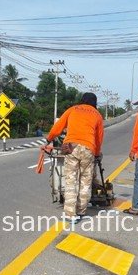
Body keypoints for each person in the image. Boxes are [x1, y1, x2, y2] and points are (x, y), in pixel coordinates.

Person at [46, 92, 104, 220]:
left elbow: (57, 128)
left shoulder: (72, 110)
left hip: (71, 148)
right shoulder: (97, 115)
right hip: (88, 149)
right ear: (94, 103)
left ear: (82, 100)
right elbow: (99, 138)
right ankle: (81, 210)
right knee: (85, 181)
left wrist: (49, 139)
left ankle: (70, 214)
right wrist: (96, 153)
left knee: (71, 180)